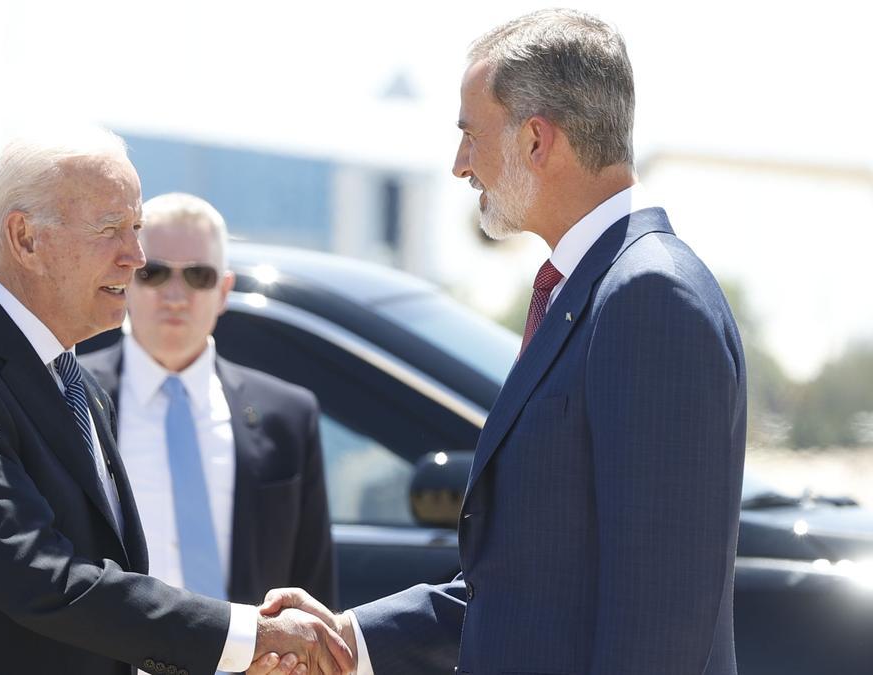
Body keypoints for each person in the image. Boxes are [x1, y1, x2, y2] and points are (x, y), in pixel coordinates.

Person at [256, 9, 747, 675]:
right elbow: (526, 589)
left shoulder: (648, 298)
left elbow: (661, 621)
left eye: (470, 135)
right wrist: (346, 636)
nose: (460, 165)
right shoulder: (595, 291)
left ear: (538, 140)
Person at [0, 130, 353, 675]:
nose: (135, 258)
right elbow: (45, 580)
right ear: (25, 239)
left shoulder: (75, 385)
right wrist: (246, 636)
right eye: (110, 230)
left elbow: (104, 584)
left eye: (135, 230)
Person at [81, 193, 337, 616]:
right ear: (125, 279)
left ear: (223, 291)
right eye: (155, 273)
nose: (176, 296)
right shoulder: (71, 397)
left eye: (198, 276)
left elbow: (313, 587)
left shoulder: (287, 415)